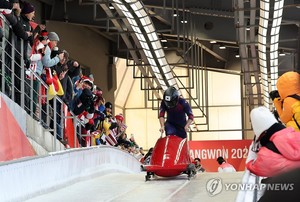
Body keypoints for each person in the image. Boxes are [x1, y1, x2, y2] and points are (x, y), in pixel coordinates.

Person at [246, 106, 300, 177]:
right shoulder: (297, 135)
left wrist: (253, 148)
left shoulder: (265, 156)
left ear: (261, 135)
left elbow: (251, 166)